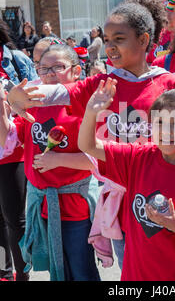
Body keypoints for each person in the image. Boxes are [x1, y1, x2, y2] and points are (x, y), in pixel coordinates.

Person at [7, 1, 175, 272]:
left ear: (143, 39)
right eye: (106, 40)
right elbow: (53, 93)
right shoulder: (101, 86)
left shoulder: (171, 84)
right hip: (120, 202)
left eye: (119, 39)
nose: (110, 47)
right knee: (131, 269)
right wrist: (15, 95)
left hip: (165, 196)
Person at [78, 86, 175, 281]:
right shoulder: (138, 157)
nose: (166, 131)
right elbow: (88, 146)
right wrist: (91, 112)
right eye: (159, 122)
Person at [0, 44, 101, 281]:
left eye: (58, 67)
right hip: (45, 206)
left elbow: (97, 159)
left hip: (76, 208)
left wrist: (57, 159)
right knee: (60, 271)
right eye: (43, 69)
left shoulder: (85, 104)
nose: (49, 74)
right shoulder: (35, 102)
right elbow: (10, 143)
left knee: (81, 270)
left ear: (76, 71)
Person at [0, 19, 38, 281]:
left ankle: (22, 277)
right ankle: (4, 272)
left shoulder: (14, 59)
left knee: (15, 218)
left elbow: (38, 96)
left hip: (11, 148)